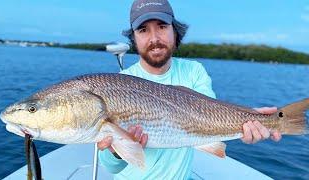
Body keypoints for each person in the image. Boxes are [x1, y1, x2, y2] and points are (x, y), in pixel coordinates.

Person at [97, 0, 282, 179]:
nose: (154, 38)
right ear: (134, 38)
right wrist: (116, 152)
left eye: (162, 26)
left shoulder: (194, 71)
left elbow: (212, 116)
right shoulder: (118, 85)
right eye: (143, 30)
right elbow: (111, 167)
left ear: (175, 32)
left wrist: (252, 117)